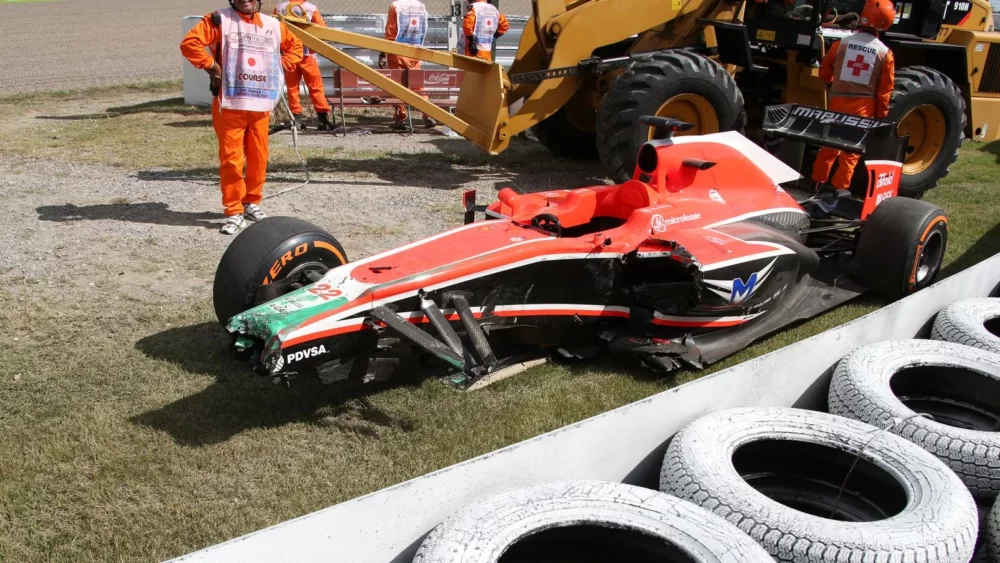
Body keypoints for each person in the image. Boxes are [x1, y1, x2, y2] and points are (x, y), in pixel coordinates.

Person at [180, 0, 303, 235]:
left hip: (260, 104)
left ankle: (251, 201)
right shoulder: (218, 19)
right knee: (231, 158)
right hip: (230, 103)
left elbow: (295, 47)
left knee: (259, 156)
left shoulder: (273, 25)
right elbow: (190, 44)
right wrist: (212, 67)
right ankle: (234, 210)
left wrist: (278, 68)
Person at [811, 0, 896, 198]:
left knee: (828, 147)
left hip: (837, 103)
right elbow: (885, 90)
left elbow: (824, 73)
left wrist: (833, 81)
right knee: (850, 153)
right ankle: (837, 193)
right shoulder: (885, 53)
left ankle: (816, 185)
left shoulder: (841, 45)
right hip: (863, 109)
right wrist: (881, 115)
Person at [273, 1, 335, 131]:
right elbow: (323, 31)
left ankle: (297, 118)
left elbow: (274, 29)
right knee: (315, 87)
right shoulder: (311, 8)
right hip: (308, 55)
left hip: (288, 55)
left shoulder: (279, 8)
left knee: (292, 87)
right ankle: (322, 118)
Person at [381, 0, 436, 129]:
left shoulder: (396, 6)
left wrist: (382, 53)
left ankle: (400, 117)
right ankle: (427, 114)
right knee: (418, 86)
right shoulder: (421, 6)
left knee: (397, 86)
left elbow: (390, 32)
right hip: (415, 51)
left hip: (397, 53)